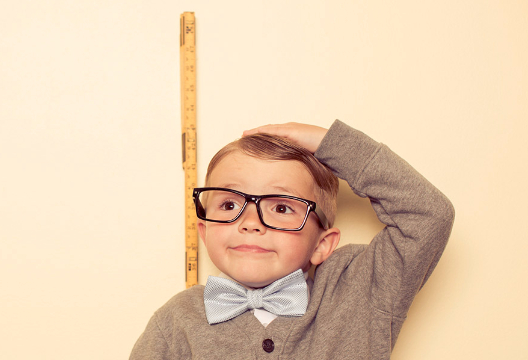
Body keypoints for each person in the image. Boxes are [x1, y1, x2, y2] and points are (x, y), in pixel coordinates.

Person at [129, 120, 455, 359]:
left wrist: (332, 144)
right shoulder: (176, 321)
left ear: (322, 245)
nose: (250, 223)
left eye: (282, 207)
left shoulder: (360, 291)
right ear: (205, 232)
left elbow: (428, 215)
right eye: (229, 204)